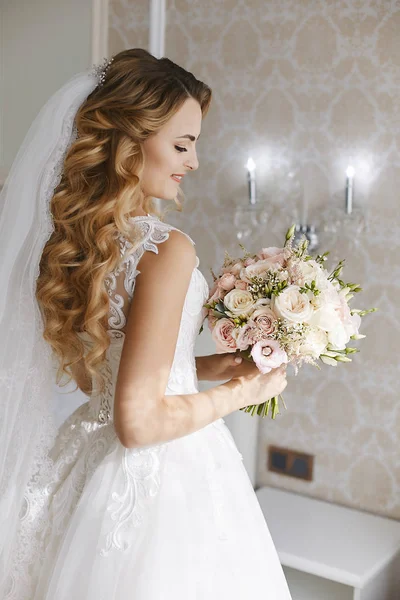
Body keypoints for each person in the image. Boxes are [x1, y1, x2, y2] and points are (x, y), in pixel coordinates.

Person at [0, 48, 291, 599]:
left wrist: (200, 365)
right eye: (182, 144)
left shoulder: (80, 245)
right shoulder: (166, 249)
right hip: (157, 483)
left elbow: (98, 380)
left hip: (85, 457)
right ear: (129, 144)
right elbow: (137, 423)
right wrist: (242, 389)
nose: (194, 162)